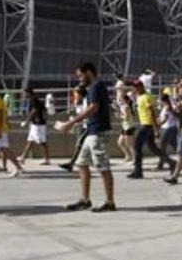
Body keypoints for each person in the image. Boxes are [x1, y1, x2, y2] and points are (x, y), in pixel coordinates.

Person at [58, 63, 116, 212]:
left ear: (88, 72)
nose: (79, 79)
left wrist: (71, 122)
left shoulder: (96, 86)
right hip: (91, 131)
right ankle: (85, 200)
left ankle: (109, 202)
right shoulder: (93, 88)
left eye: (80, 75)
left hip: (98, 132)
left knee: (103, 167)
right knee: (82, 164)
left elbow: (93, 108)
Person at [128, 80, 175, 179]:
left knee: (137, 146)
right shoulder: (139, 97)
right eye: (134, 87)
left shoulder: (147, 97)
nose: (135, 88)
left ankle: (138, 171)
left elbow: (152, 112)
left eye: (137, 86)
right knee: (153, 147)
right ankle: (171, 162)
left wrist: (155, 128)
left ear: (142, 86)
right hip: (144, 124)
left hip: (147, 124)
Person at [18, 88, 51, 165]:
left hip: (38, 124)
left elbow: (33, 111)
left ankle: (46, 159)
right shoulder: (34, 99)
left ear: (28, 93)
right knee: (30, 141)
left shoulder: (33, 100)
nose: (24, 95)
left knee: (42, 142)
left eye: (24, 93)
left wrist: (26, 121)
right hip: (35, 124)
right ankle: (23, 157)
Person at [58, 86, 88, 173]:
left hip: (89, 126)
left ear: (80, 94)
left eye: (76, 93)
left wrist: (71, 122)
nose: (74, 95)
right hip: (83, 126)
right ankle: (72, 164)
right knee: (80, 145)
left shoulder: (86, 101)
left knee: (80, 144)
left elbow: (84, 115)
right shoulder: (78, 102)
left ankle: (72, 164)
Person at [156, 93, 179, 169]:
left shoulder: (168, 107)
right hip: (171, 128)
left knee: (162, 147)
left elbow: (165, 119)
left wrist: (158, 125)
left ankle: (160, 164)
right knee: (175, 146)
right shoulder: (166, 106)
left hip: (168, 128)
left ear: (163, 100)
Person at [116, 91, 136, 164]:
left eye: (122, 100)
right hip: (125, 127)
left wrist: (120, 116)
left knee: (130, 144)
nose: (121, 101)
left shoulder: (126, 107)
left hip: (128, 127)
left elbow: (126, 117)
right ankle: (128, 156)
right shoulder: (124, 106)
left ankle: (134, 159)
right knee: (120, 142)